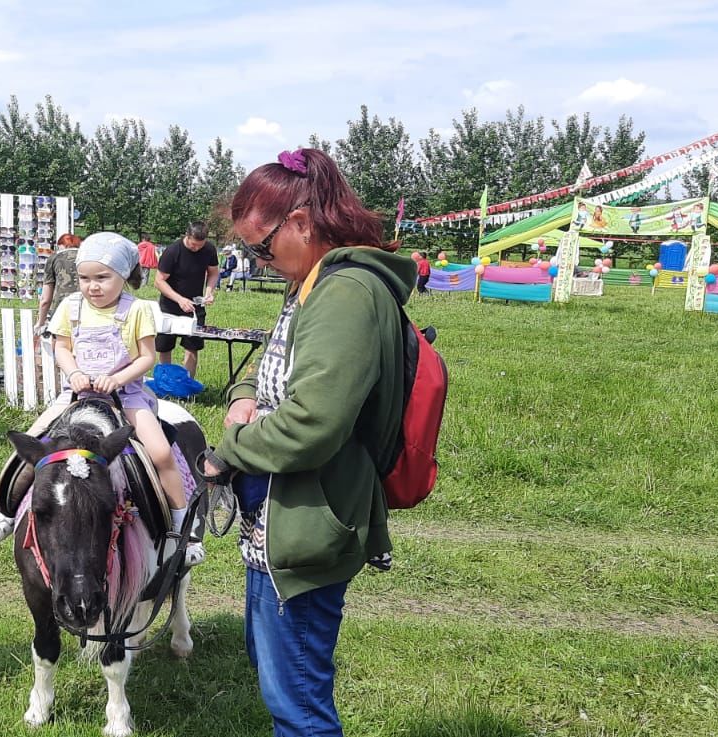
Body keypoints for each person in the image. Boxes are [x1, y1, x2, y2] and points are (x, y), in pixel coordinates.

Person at [202, 148, 414, 737]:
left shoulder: (345, 295)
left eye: (261, 248)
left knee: (298, 706)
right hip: (280, 519)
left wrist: (229, 449)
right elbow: (266, 364)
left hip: (308, 520)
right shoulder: (311, 283)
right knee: (282, 683)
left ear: (301, 221)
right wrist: (243, 395)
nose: (260, 262)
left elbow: (312, 424)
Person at [0, 233, 202, 562]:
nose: (92, 286)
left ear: (123, 276)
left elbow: (146, 357)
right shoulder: (71, 306)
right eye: (85, 278)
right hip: (77, 393)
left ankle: (184, 526)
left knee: (160, 453)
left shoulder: (138, 309)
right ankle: (7, 510)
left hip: (127, 395)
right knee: (34, 441)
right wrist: (73, 373)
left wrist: (117, 378)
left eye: (102, 278)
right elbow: (62, 347)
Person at [154, 220, 220, 377]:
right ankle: (165, 380)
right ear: (187, 236)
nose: (196, 248)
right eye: (193, 245)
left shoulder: (209, 249)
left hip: (195, 307)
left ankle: (187, 383)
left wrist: (209, 291)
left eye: (200, 245)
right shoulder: (172, 251)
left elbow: (213, 272)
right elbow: (158, 281)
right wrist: (179, 300)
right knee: (164, 345)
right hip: (170, 306)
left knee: (192, 345)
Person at [36, 232, 83, 328]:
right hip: (86, 309)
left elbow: (45, 299)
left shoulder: (54, 258)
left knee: (60, 341)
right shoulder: (87, 257)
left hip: (61, 310)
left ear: (61, 245)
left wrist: (40, 322)